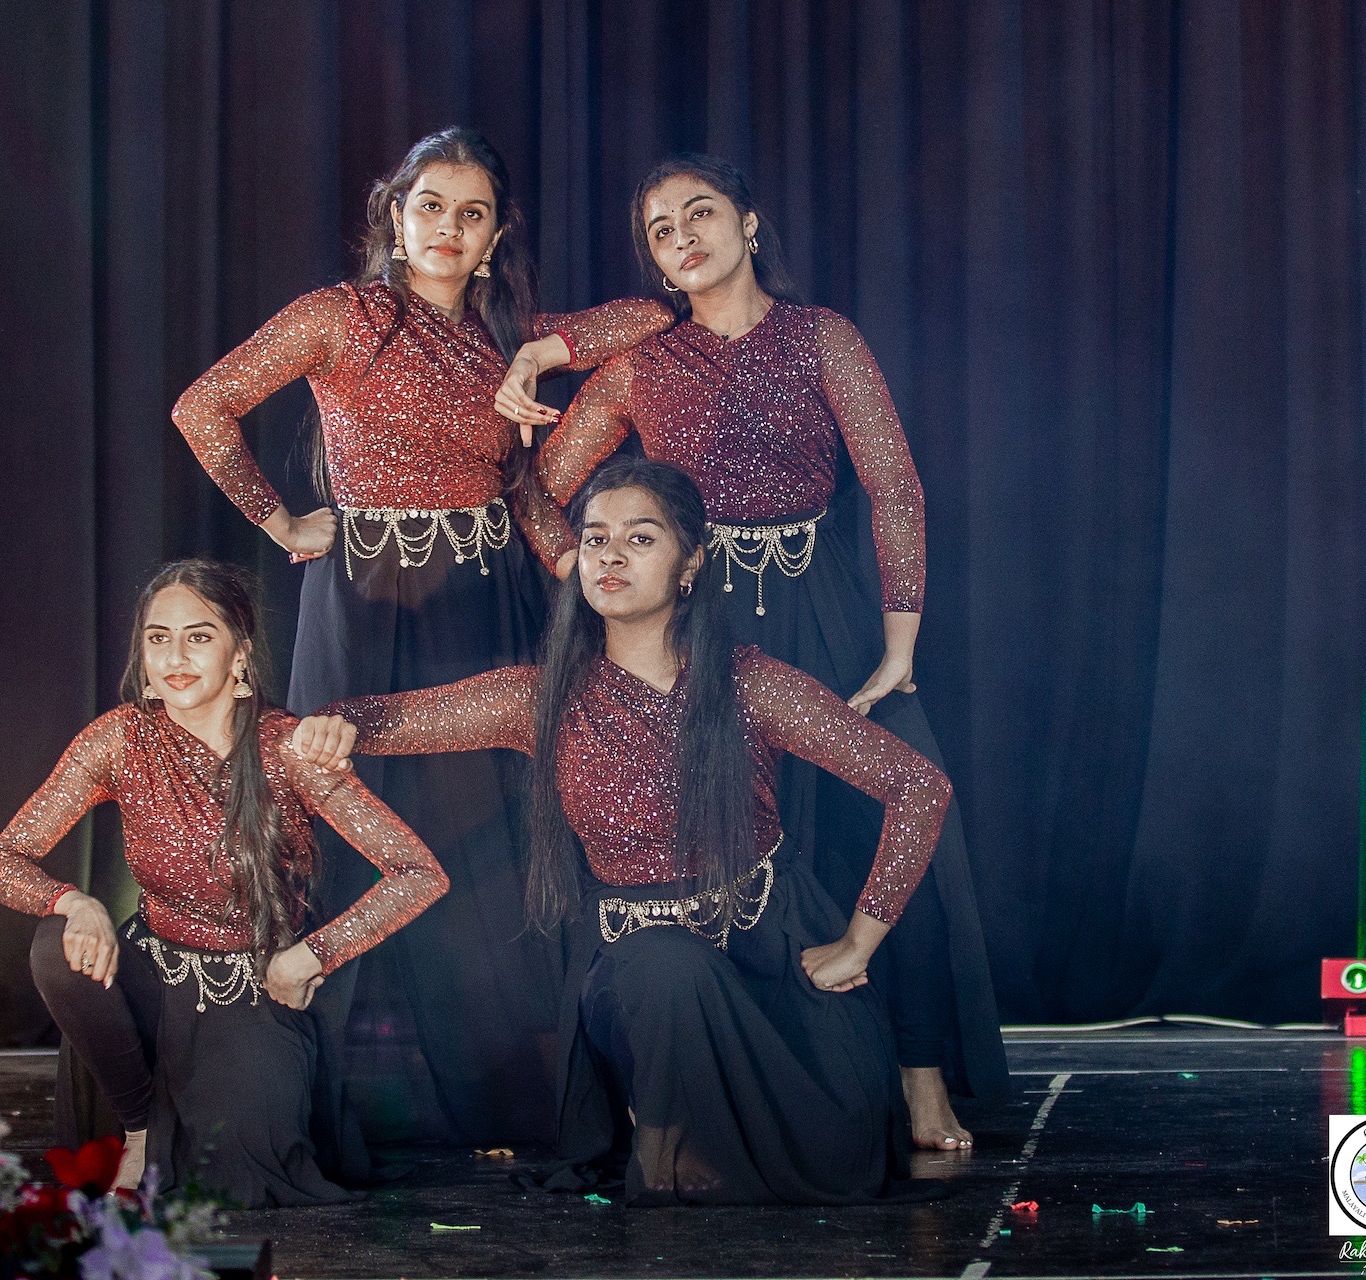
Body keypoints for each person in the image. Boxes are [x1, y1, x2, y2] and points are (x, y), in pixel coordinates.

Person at [170, 127, 669, 1143]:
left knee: (493, 838)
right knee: (341, 827)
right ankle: (314, 1116)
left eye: (472, 213)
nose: (448, 227)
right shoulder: (341, 317)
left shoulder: (504, 331)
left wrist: (541, 352)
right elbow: (203, 405)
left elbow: (650, 315)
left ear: (492, 237)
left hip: (482, 602)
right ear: (394, 218)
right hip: (362, 601)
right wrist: (279, 520)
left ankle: (520, 1105)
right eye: (430, 206)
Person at [295, 459, 952, 1205]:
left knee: (842, 1147)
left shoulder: (751, 684)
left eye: (640, 539)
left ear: (690, 564)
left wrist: (860, 941)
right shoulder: (544, 699)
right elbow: (391, 718)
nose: (610, 556)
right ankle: (670, 1141)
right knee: (667, 971)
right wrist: (335, 723)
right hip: (640, 974)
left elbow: (919, 786)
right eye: (595, 539)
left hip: (772, 959)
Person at [526, 155, 1008, 1147]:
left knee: (894, 820)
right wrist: (583, 567)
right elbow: (540, 486)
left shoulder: (821, 336)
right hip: (702, 626)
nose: (683, 238)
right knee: (747, 843)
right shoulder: (641, 365)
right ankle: (750, 1076)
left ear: (749, 223)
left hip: (825, 607)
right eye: (661, 230)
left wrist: (898, 646)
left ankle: (922, 1077)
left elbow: (895, 486)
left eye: (699, 213)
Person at [0, 560, 448, 1206]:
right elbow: (0, 861)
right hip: (149, 979)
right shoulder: (119, 739)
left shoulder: (288, 748)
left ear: (239, 653)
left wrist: (316, 953)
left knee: (243, 1178)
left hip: (257, 984)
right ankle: (138, 1124)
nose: (175, 657)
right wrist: (74, 901)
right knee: (56, 944)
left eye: (198, 637)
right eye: (158, 638)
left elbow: (417, 873)